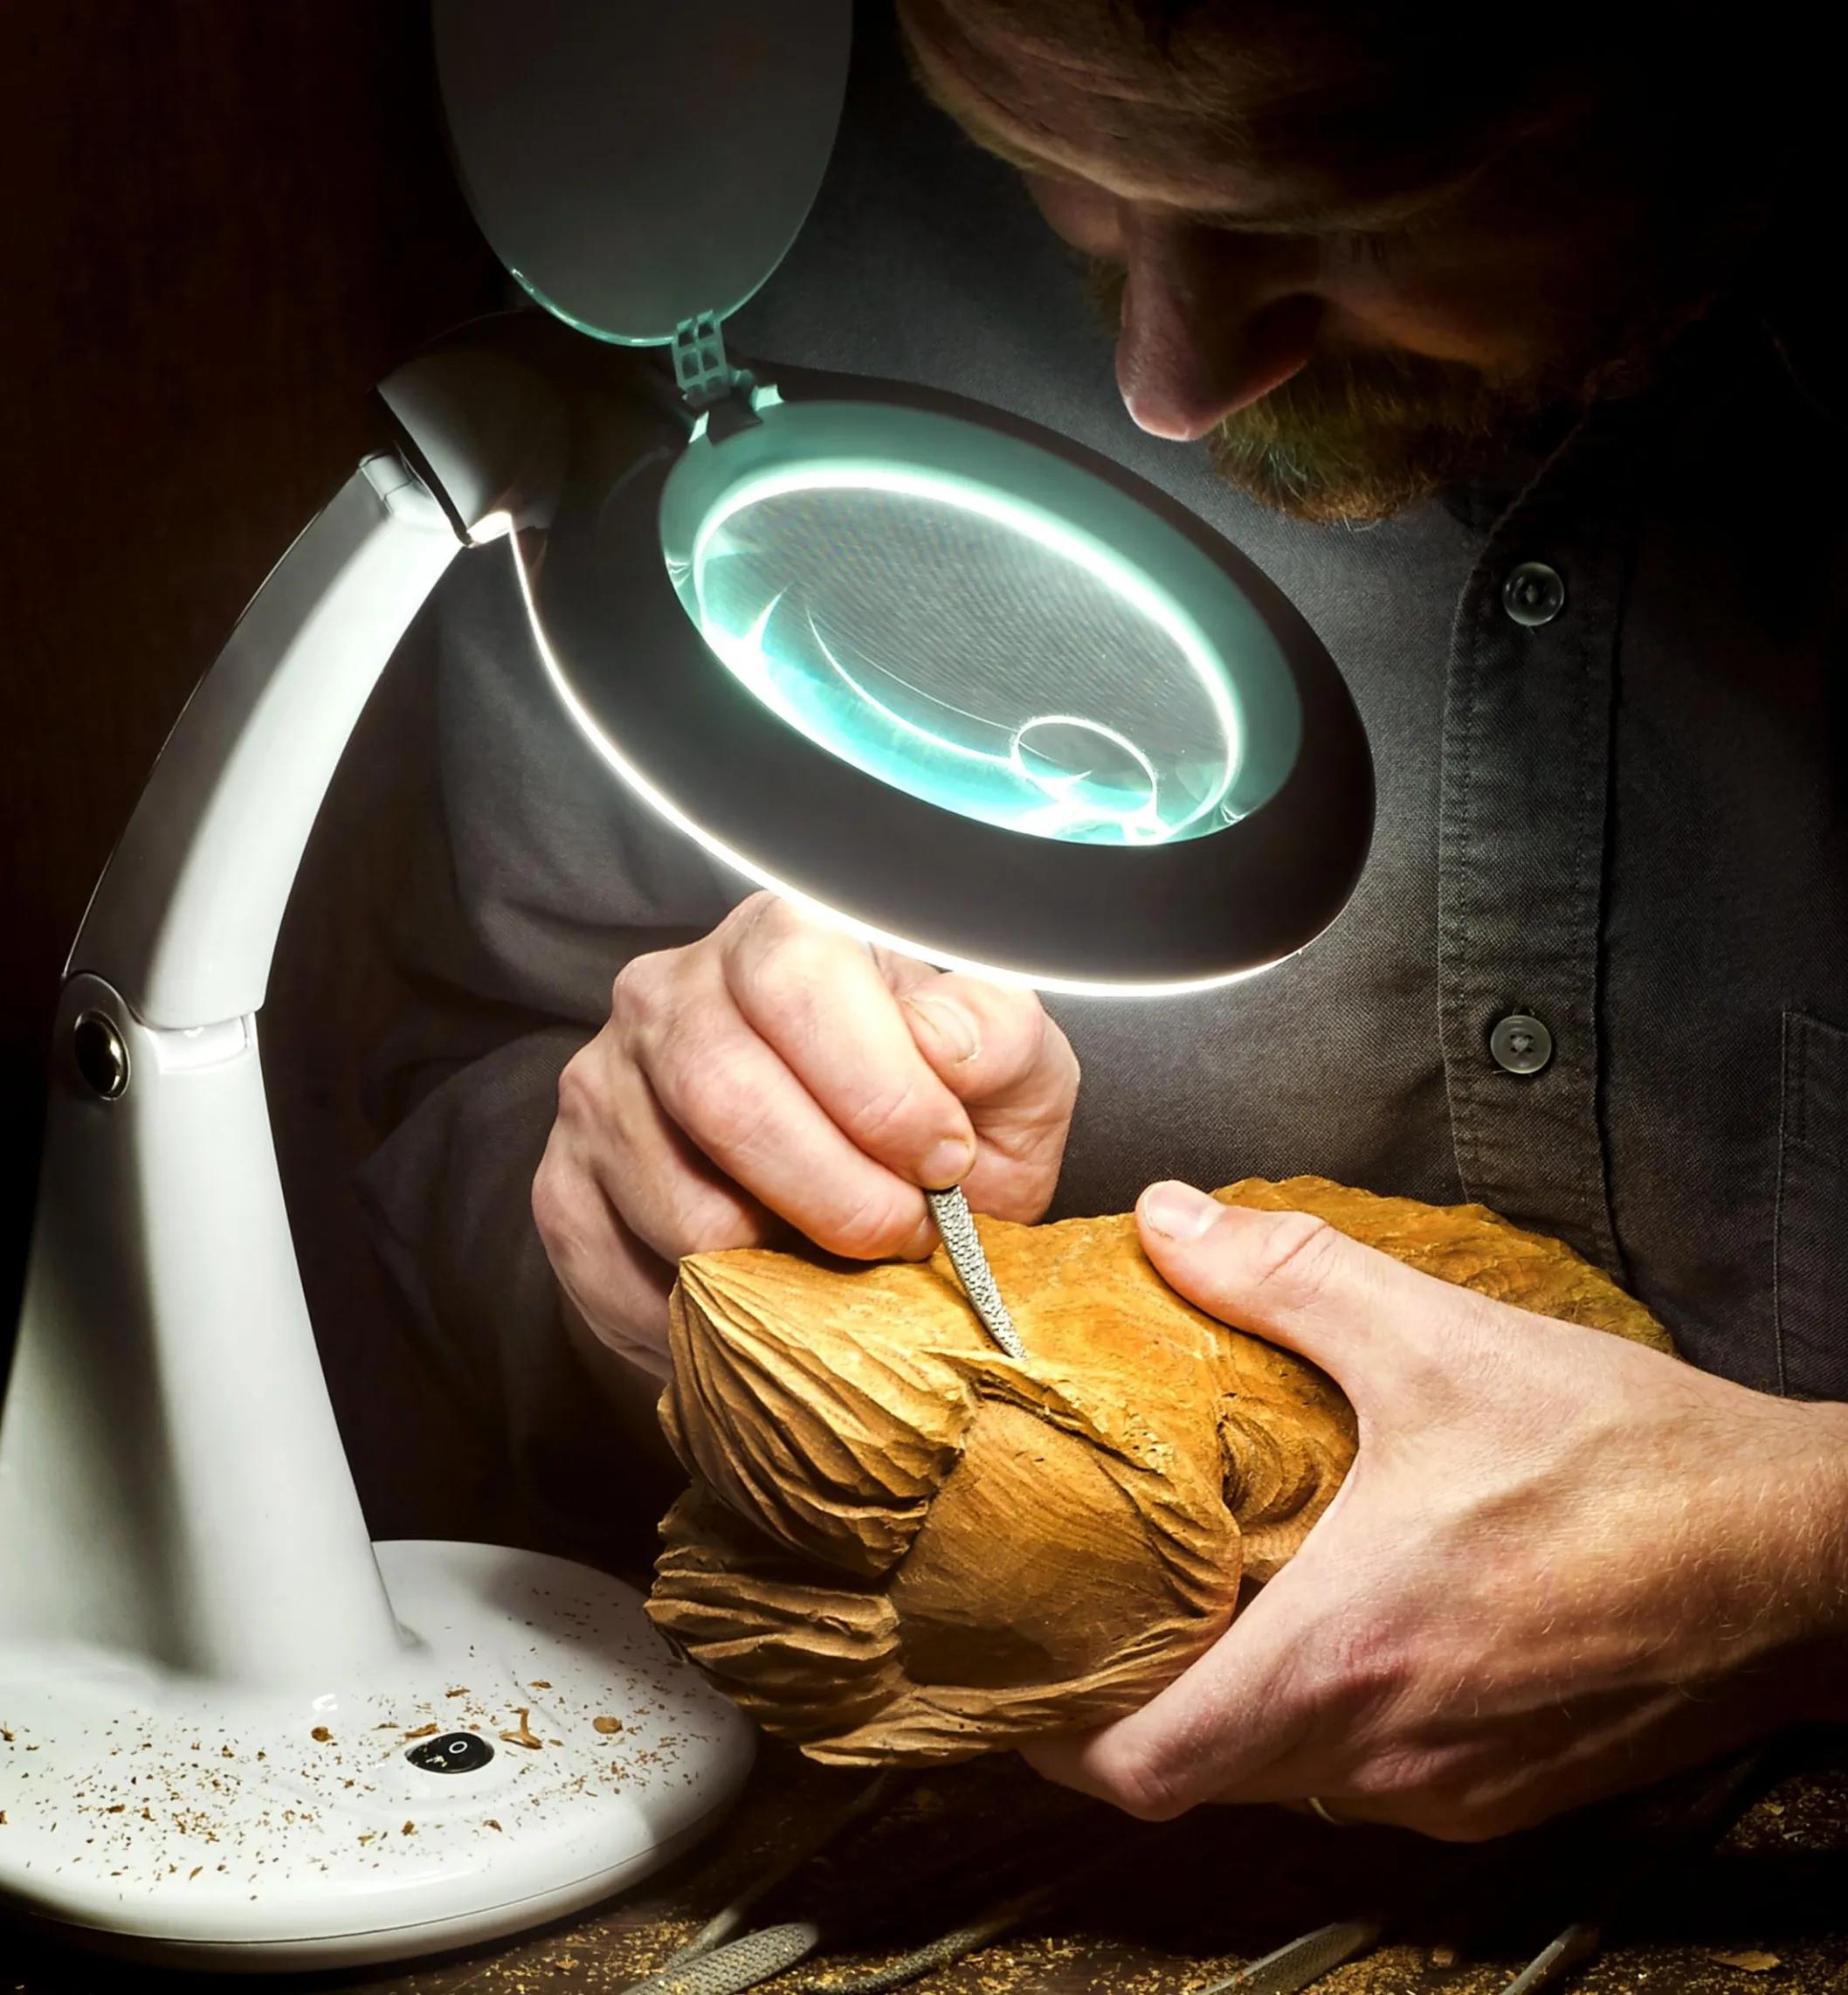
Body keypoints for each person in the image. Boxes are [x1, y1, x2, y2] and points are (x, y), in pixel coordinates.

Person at [354, 0, 1848, 1842]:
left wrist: (1806, 1558)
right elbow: (468, 1102)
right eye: (1047, 170)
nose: (1169, 378)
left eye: (1349, 207)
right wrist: (658, 1227)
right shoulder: (720, 252)